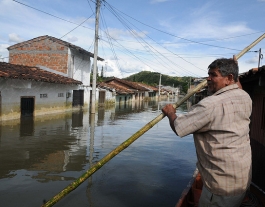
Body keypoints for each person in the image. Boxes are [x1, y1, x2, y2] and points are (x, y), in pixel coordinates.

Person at [162, 57, 252, 207]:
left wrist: (170, 113)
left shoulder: (210, 105)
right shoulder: (245, 97)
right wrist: (235, 68)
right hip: (241, 179)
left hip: (220, 187)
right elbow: (238, 87)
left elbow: (179, 127)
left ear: (229, 78)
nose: (207, 79)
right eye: (208, 74)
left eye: (213, 75)